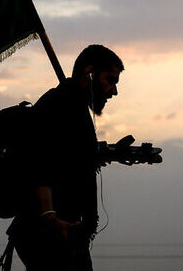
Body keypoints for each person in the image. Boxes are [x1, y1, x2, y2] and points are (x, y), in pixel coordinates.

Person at [9, 44, 124, 271]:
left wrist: (113, 152)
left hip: (67, 233)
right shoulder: (60, 102)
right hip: (49, 233)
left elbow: (68, 157)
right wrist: (50, 219)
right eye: (111, 80)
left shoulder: (76, 106)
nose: (114, 91)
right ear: (89, 72)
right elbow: (36, 161)